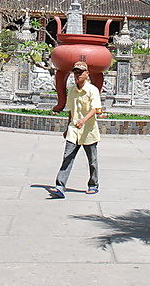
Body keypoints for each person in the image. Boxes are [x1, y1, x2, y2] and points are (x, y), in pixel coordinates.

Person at [51, 61, 101, 197]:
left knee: (92, 161)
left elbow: (95, 109)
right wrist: (68, 127)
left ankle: (93, 184)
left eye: (80, 72)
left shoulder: (92, 90)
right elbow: (71, 111)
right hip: (74, 130)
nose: (77, 75)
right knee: (67, 157)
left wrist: (83, 120)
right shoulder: (72, 90)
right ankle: (60, 186)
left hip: (88, 130)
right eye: (75, 72)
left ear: (87, 74)